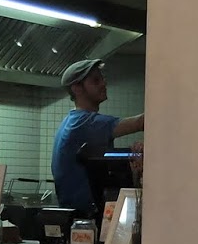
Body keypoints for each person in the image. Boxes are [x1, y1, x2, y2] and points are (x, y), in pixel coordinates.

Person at [50, 59, 145, 216]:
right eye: (96, 80)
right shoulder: (82, 122)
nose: (103, 83)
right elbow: (141, 122)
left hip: (78, 217)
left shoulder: (71, 122)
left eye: (102, 78)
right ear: (77, 88)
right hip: (85, 218)